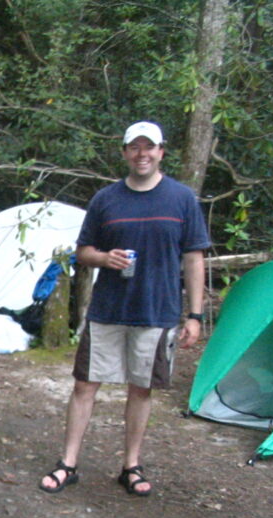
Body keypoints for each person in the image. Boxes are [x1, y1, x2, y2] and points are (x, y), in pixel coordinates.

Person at [38, 121, 210, 496]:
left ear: (162, 152)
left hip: (156, 311)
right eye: (135, 147)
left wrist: (194, 316)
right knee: (84, 384)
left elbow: (194, 259)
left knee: (141, 389)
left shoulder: (181, 199)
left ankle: (131, 465)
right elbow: (83, 251)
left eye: (149, 147)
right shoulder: (106, 199)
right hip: (108, 310)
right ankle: (68, 462)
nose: (142, 154)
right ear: (125, 153)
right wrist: (104, 258)